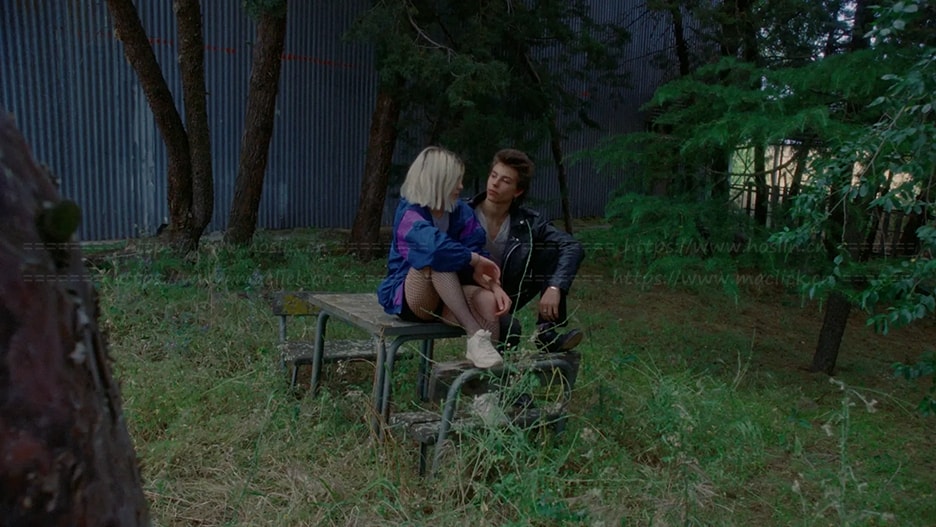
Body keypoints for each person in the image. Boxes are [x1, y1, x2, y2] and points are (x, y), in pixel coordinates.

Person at [378, 146, 511, 368]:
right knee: (437, 258)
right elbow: (434, 250)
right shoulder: (409, 213)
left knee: (488, 301)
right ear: (437, 181)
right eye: (455, 180)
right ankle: (475, 335)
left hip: (451, 296)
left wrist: (494, 286)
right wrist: (474, 260)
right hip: (416, 299)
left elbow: (477, 250)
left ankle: (487, 382)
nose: (461, 186)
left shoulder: (461, 212)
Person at [469, 148, 585, 354]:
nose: (495, 183)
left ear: (518, 191)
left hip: (507, 294)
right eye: (493, 176)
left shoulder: (528, 223)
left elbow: (572, 246)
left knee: (552, 249)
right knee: (510, 330)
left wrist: (555, 287)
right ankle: (496, 370)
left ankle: (546, 331)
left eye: (505, 180)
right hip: (467, 292)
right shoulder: (464, 213)